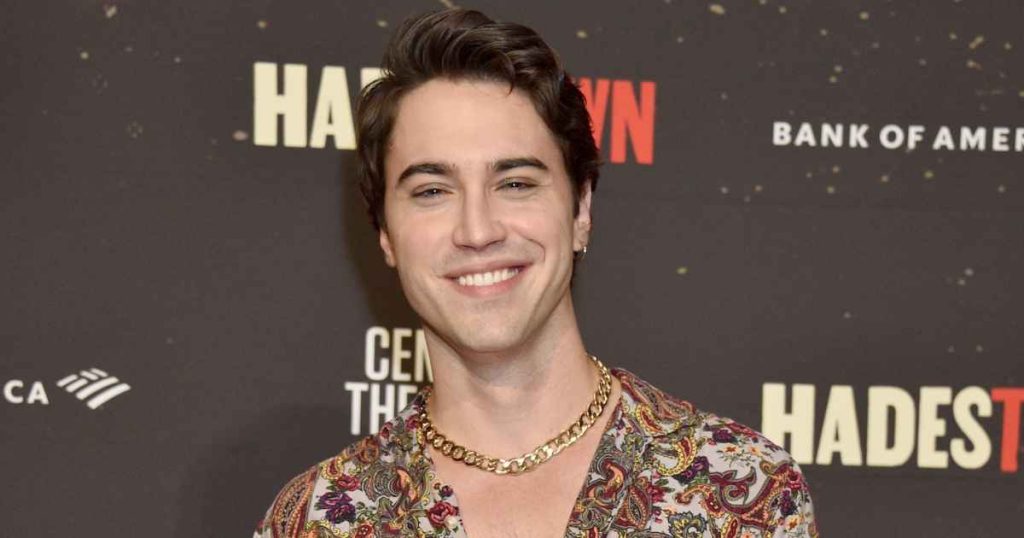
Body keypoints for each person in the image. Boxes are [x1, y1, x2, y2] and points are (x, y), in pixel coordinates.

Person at [256, 8, 818, 538]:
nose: (477, 230)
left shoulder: (738, 488)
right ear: (385, 232)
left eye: (515, 183)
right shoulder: (320, 519)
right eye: (432, 191)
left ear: (580, 210)